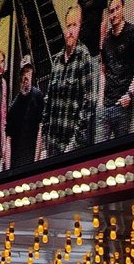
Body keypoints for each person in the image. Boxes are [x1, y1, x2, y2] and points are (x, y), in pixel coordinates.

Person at [39, 8, 95, 157]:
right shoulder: (57, 60)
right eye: (68, 26)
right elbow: (48, 99)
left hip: (71, 148)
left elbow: (88, 105)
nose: (70, 30)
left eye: (74, 25)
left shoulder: (84, 57)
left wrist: (73, 146)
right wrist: (45, 135)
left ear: (80, 28)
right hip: (52, 145)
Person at [100, 0, 134, 141]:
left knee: (120, 151)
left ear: (123, 8)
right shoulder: (106, 40)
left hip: (122, 105)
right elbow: (103, 72)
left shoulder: (131, 32)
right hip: (106, 105)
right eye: (111, 11)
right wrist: (100, 102)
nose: (114, 14)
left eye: (117, 9)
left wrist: (129, 94)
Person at [6, 55, 44, 168]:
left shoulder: (38, 96)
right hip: (16, 163)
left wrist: (36, 161)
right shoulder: (13, 106)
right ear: (20, 75)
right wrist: (7, 171)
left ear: (32, 73)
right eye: (24, 72)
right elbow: (8, 138)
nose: (26, 76)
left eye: (28, 71)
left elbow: (40, 130)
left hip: (32, 160)